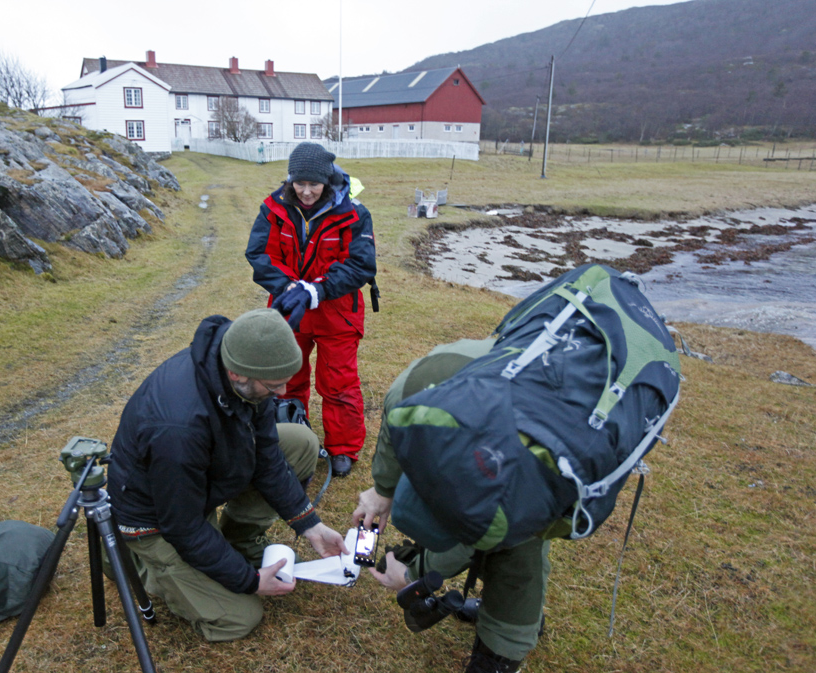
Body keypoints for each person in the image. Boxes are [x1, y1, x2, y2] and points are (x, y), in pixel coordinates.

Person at [107, 308, 349, 642]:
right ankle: (136, 562)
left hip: (197, 486)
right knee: (239, 617)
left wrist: (310, 525)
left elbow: (268, 458)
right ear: (237, 374)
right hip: (156, 519)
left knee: (300, 442)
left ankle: (239, 542)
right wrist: (248, 582)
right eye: (275, 385)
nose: (282, 393)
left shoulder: (246, 366)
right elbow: (183, 526)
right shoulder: (176, 428)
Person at [352, 339, 551, 673]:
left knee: (519, 548)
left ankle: (502, 651)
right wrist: (382, 490)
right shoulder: (407, 394)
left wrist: (415, 575)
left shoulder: (509, 470)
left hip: (542, 446)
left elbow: (475, 536)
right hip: (506, 396)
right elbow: (394, 429)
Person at [245, 142, 377, 478]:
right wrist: (290, 287)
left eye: (313, 185)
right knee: (285, 378)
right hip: (289, 309)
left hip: (337, 313)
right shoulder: (272, 208)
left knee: (339, 383)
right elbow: (259, 255)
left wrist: (317, 290)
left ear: (327, 180)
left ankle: (343, 449)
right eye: (299, 184)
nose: (305, 192)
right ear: (290, 180)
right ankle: (292, 437)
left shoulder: (355, 214)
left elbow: (361, 265)